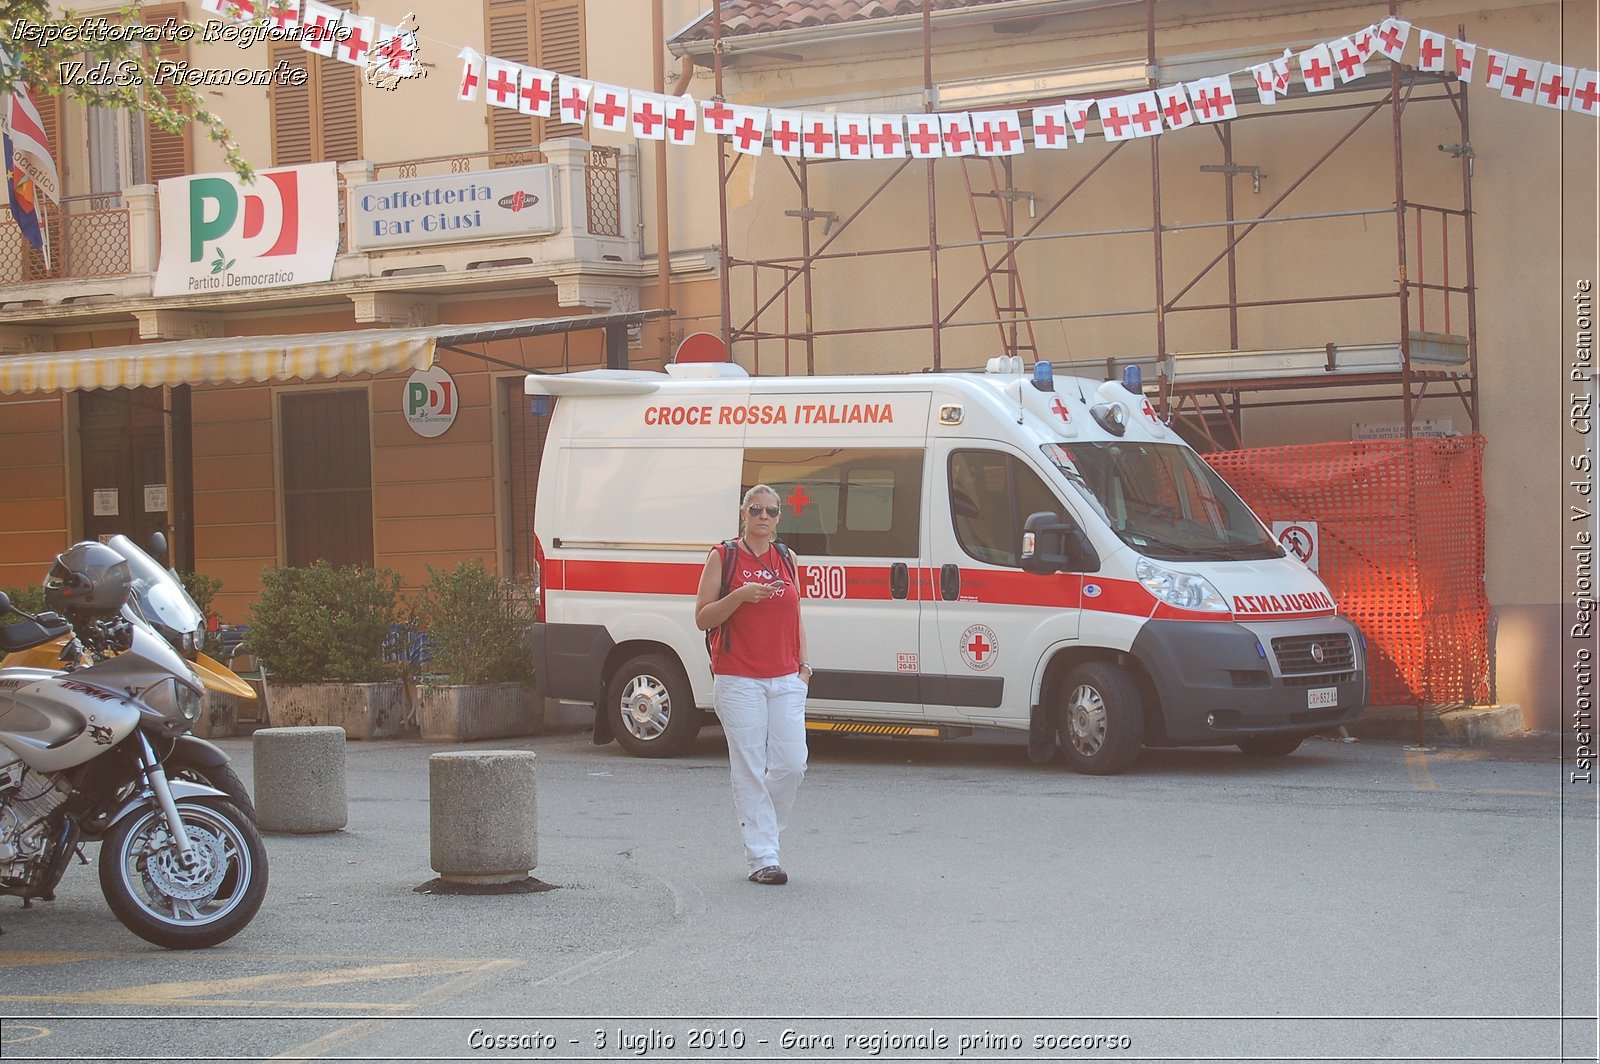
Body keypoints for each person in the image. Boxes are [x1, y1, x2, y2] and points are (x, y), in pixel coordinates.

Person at [694, 484, 811, 886]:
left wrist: (804, 668)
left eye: (772, 511)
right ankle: (763, 857)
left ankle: (767, 836)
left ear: (779, 518)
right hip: (739, 677)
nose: (764, 517)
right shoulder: (723, 557)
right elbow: (703, 617)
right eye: (757, 510)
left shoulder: (787, 559)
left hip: (785, 677)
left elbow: (796, 616)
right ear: (744, 514)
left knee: (792, 764)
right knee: (749, 767)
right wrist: (740, 596)